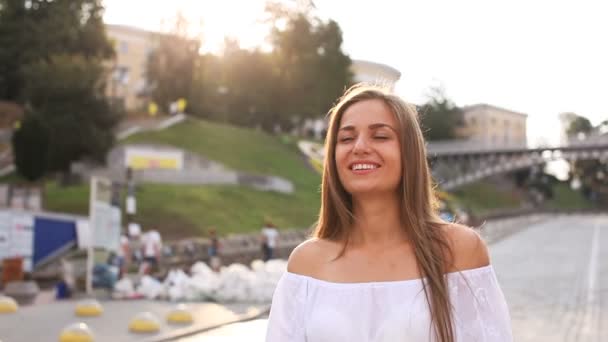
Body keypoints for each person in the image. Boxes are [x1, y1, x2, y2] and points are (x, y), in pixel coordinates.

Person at [266, 85, 512, 341]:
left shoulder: (459, 251)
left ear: (409, 152)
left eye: (380, 136)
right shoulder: (306, 264)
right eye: (346, 138)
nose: (359, 147)